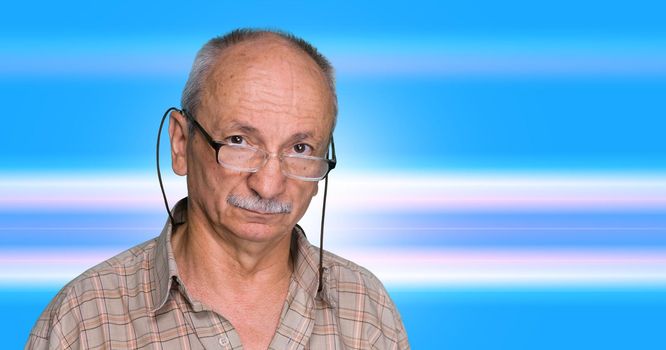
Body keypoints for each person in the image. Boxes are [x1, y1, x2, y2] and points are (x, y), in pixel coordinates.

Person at [26, 29, 409, 349]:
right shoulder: (82, 319)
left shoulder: (367, 310)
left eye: (300, 149)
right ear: (180, 144)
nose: (269, 185)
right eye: (239, 141)